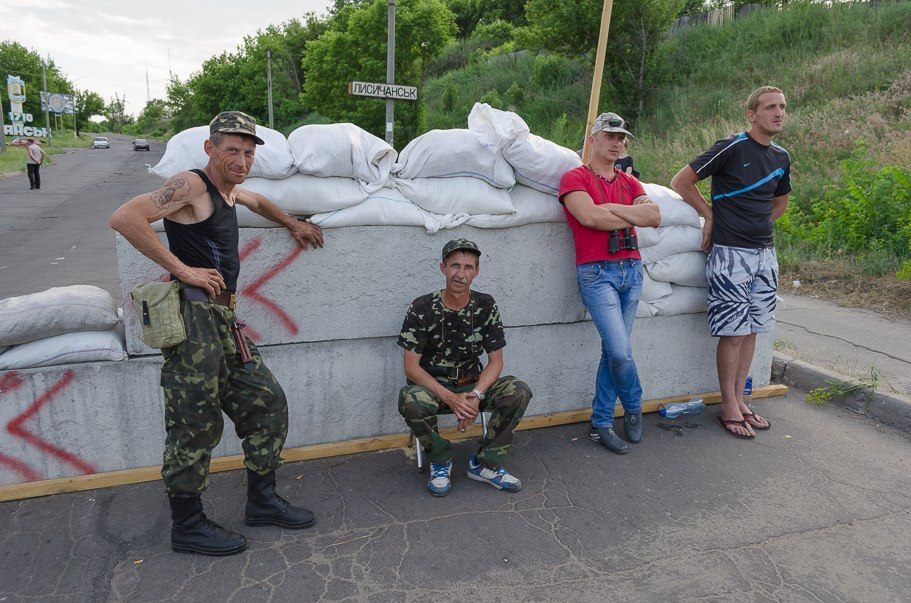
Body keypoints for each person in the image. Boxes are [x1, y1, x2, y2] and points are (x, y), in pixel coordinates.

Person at [110, 111, 325, 556]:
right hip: (193, 322)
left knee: (266, 403)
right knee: (195, 423)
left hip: (224, 321)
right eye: (232, 150)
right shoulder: (191, 185)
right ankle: (187, 525)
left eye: (248, 152)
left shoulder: (229, 192)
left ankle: (262, 501)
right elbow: (125, 217)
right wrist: (182, 268)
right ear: (210, 149)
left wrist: (292, 223)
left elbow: (258, 202)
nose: (241, 159)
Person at [670, 86, 790, 439]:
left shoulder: (781, 156)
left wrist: (759, 227)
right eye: (770, 107)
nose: (778, 113)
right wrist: (710, 215)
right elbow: (682, 181)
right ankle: (727, 407)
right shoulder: (731, 147)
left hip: (765, 255)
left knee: (753, 328)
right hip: (730, 254)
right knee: (733, 331)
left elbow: (779, 202)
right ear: (752, 114)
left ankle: (741, 400)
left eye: (782, 107)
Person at [558, 112, 661, 455]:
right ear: (593, 139)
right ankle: (633, 404)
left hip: (631, 271)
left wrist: (611, 208)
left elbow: (653, 217)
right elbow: (588, 217)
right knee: (619, 350)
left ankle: (601, 422)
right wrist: (626, 213)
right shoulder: (574, 177)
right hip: (597, 273)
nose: (618, 143)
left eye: (622, 138)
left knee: (611, 352)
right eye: (611, 136)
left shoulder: (630, 183)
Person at [397, 239, 533, 496]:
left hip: (472, 385)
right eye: (455, 266)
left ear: (476, 272)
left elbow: (496, 361)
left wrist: (475, 395)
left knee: (519, 390)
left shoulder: (485, 305)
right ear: (442, 268)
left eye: (468, 267)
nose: (461, 274)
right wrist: (451, 398)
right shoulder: (422, 307)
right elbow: (411, 368)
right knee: (410, 399)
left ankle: (485, 463)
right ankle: (440, 458)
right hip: (435, 388)